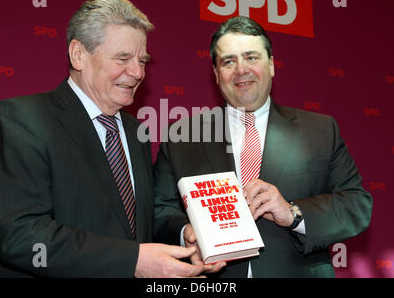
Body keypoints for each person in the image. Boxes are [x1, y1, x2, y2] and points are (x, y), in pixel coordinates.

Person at [0, 0, 211, 278]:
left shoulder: (135, 132)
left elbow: (139, 222)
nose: (137, 72)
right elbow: (21, 235)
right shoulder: (22, 119)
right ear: (78, 54)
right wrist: (133, 261)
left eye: (142, 60)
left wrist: (185, 237)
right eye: (123, 58)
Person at [153, 16, 373, 277]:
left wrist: (294, 214)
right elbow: (159, 209)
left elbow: (356, 204)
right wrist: (186, 232)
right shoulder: (182, 137)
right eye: (228, 61)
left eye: (251, 58)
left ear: (271, 65)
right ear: (216, 74)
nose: (241, 69)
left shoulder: (321, 130)